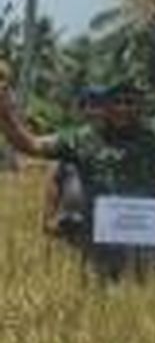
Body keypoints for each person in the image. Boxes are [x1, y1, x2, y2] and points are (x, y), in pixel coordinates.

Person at [0, 73, 155, 282]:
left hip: (149, 252)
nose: (123, 108)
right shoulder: (82, 139)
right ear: (105, 107)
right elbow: (29, 144)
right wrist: (5, 111)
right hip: (100, 256)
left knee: (152, 310)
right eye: (117, 101)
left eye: (130, 102)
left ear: (141, 107)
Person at [43, 85, 106, 243]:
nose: (95, 112)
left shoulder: (121, 147)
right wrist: (50, 219)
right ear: (81, 110)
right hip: (71, 229)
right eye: (90, 106)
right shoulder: (68, 143)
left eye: (100, 106)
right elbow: (54, 181)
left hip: (106, 234)